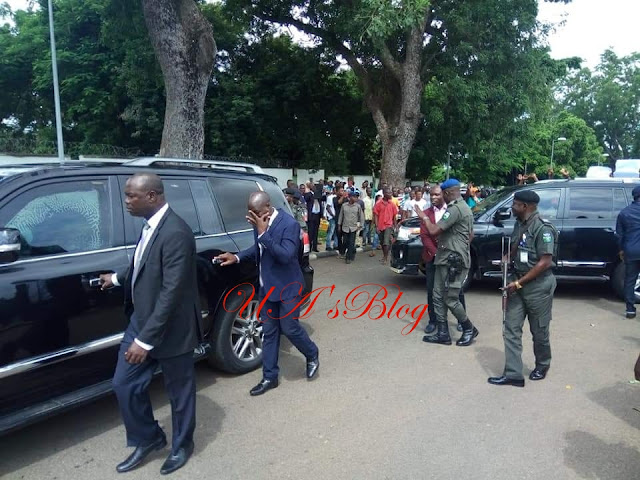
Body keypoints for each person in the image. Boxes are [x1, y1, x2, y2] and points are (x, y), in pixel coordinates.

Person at [99, 173, 200, 475]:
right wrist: (117, 278)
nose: (126, 201)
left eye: (132, 195)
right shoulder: (150, 226)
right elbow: (143, 265)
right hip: (142, 320)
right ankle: (150, 437)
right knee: (124, 383)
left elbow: (172, 292)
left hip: (171, 328)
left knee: (178, 392)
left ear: (153, 196)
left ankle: (182, 445)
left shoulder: (176, 233)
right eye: (127, 195)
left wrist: (144, 341)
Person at [215, 192, 319, 396]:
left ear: (268, 207)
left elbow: (286, 256)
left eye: (255, 212)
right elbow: (259, 249)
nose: (250, 216)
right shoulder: (259, 221)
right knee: (269, 332)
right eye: (250, 212)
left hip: (288, 287)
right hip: (267, 288)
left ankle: (312, 353)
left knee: (289, 328)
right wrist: (237, 257)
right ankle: (270, 377)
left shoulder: (289, 224)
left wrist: (263, 233)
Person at [488, 190, 558, 387]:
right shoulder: (520, 224)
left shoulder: (543, 229)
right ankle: (513, 374)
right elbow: (517, 246)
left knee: (539, 330)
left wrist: (519, 283)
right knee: (510, 328)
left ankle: (542, 364)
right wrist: (507, 257)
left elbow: (544, 262)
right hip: (517, 283)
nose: (512, 207)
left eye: (515, 204)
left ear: (525, 207)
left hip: (538, 287)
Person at [420, 178, 479, 347]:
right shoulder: (461, 208)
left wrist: (423, 217)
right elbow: (470, 235)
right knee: (437, 295)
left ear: (447, 193)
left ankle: (469, 328)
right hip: (445, 259)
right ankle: (443, 333)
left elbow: (433, 230)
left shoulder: (455, 209)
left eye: (441, 194)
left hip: (453, 261)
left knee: (451, 298)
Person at [415, 186, 468, 334]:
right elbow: (425, 236)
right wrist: (436, 253)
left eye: (437, 194)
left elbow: (466, 234)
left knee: (456, 290)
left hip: (451, 258)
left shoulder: (453, 211)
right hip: (433, 258)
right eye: (431, 195)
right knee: (433, 291)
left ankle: (461, 320)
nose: (433, 197)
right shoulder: (426, 213)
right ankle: (434, 321)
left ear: (444, 195)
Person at [616, 185, 640, 318]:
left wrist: (621, 250)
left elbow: (619, 235)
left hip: (631, 251)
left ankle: (630, 310)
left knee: (630, 280)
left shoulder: (624, 212)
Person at [337, 189, 364, 264]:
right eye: (354, 197)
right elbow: (341, 216)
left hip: (353, 227)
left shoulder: (358, 206)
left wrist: (361, 226)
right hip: (345, 227)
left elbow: (361, 216)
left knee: (351, 242)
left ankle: (348, 257)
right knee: (345, 241)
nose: (356, 198)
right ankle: (353, 251)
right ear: (350, 197)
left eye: (356, 197)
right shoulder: (344, 205)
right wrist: (339, 225)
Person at [372, 188, 398, 265]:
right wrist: (376, 226)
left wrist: (395, 226)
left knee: (386, 242)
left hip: (388, 225)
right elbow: (376, 215)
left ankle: (386, 258)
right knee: (382, 242)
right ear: (384, 193)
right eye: (388, 193)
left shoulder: (392, 204)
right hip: (380, 226)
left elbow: (394, 216)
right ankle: (384, 256)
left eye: (391, 192)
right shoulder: (378, 203)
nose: (390, 194)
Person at [324, 187, 337, 251]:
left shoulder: (338, 197)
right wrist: (332, 215)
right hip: (332, 217)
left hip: (337, 217)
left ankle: (335, 245)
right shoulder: (330, 197)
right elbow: (328, 207)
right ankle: (328, 245)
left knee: (336, 232)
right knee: (331, 231)